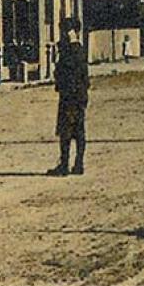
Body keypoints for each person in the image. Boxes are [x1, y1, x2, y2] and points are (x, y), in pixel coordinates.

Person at [48, 29, 90, 176]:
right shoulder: (81, 51)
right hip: (79, 97)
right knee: (79, 131)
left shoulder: (67, 53)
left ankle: (64, 165)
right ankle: (79, 164)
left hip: (68, 97)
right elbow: (85, 77)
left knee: (65, 132)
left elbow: (60, 75)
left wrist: (57, 61)